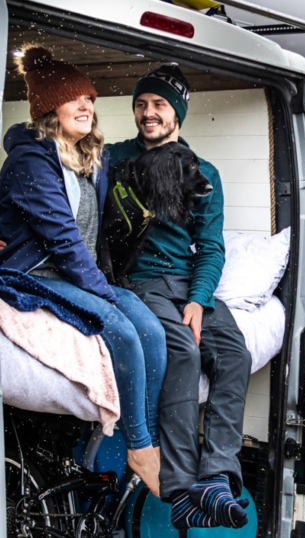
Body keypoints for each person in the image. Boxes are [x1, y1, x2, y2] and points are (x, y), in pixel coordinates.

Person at [0, 45, 166, 497]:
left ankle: (144, 436)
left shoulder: (90, 158)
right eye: (76, 99)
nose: (87, 106)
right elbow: (64, 242)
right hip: (35, 273)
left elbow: (98, 234)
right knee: (121, 330)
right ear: (50, 108)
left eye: (90, 99)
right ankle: (139, 445)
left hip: (78, 273)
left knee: (151, 330)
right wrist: (106, 295)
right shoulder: (30, 161)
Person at [108, 65, 252, 530]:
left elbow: (211, 248)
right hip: (142, 281)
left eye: (160, 105)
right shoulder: (113, 160)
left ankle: (216, 477)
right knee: (183, 352)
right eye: (142, 104)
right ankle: (183, 482)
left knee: (234, 355)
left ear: (178, 114)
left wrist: (199, 299)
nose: (148, 113)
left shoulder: (201, 172)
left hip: (186, 283)